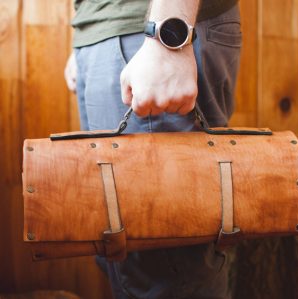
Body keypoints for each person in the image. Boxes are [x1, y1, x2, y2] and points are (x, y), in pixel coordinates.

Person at [65, 0, 242, 298]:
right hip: (110, 32)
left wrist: (168, 34)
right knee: (124, 261)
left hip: (154, 32)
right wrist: (88, 30)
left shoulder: (164, 35)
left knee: (166, 274)